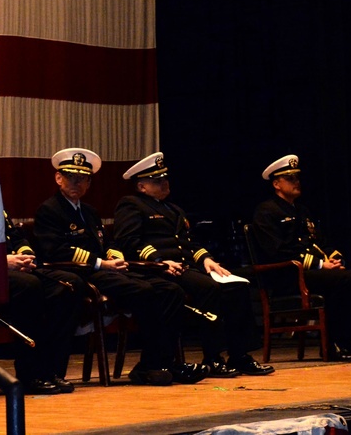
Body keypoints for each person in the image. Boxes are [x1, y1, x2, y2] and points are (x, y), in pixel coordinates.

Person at [33, 148, 208, 386]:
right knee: (144, 291)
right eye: (71, 176)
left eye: (82, 178)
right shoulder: (49, 209)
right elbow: (53, 250)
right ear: (58, 178)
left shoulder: (89, 211)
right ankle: (152, 365)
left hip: (106, 270)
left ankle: (160, 362)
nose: (76, 182)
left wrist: (115, 257)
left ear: (89, 182)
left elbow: (107, 243)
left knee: (170, 290)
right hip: (79, 273)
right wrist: (103, 263)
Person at [112, 152, 274, 377]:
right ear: (141, 186)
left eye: (164, 178)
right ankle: (213, 357)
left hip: (186, 267)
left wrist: (207, 259)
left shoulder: (174, 209)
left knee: (237, 285)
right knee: (209, 288)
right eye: (157, 180)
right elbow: (128, 242)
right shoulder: (131, 205)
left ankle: (240, 356)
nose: (164, 183)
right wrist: (158, 261)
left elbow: (189, 243)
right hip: (158, 270)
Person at [250, 154, 351, 360]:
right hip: (288, 278)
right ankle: (334, 344)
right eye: (290, 179)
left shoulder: (303, 211)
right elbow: (276, 252)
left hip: (316, 273)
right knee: (341, 281)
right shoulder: (266, 211)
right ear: (276, 184)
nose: (296, 182)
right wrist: (320, 265)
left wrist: (335, 261)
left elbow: (322, 243)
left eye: (297, 178)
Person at [0, 211, 86, 394]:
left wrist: (26, 257)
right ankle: (29, 374)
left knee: (69, 285)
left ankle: (53, 371)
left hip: (16, 267)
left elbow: (16, 237)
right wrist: (2, 262)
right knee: (29, 286)